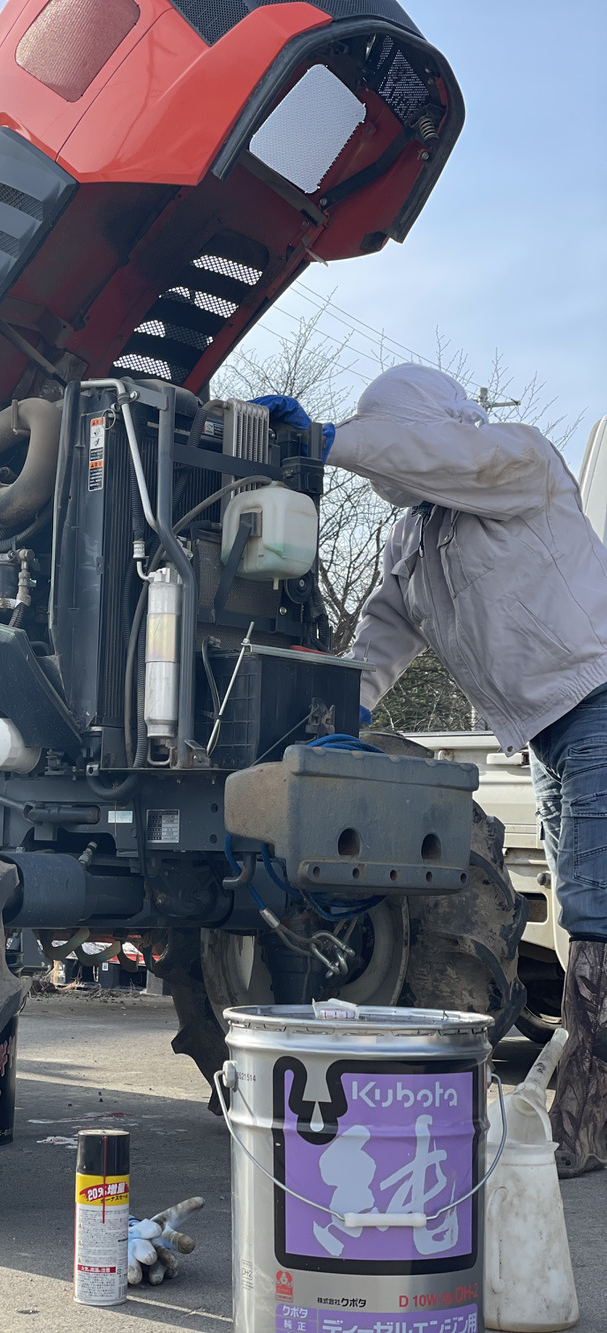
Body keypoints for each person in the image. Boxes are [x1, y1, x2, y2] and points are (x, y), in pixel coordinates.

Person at [265, 363, 607, 1177]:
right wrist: (336, 721)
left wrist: (329, 440)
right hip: (543, 732)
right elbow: (381, 639)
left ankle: (583, 1127)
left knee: (599, 917)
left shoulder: (516, 460)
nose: (382, 466)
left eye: (386, 441)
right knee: (583, 917)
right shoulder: (411, 540)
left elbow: (432, 455)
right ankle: (589, 1123)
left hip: (597, 699)